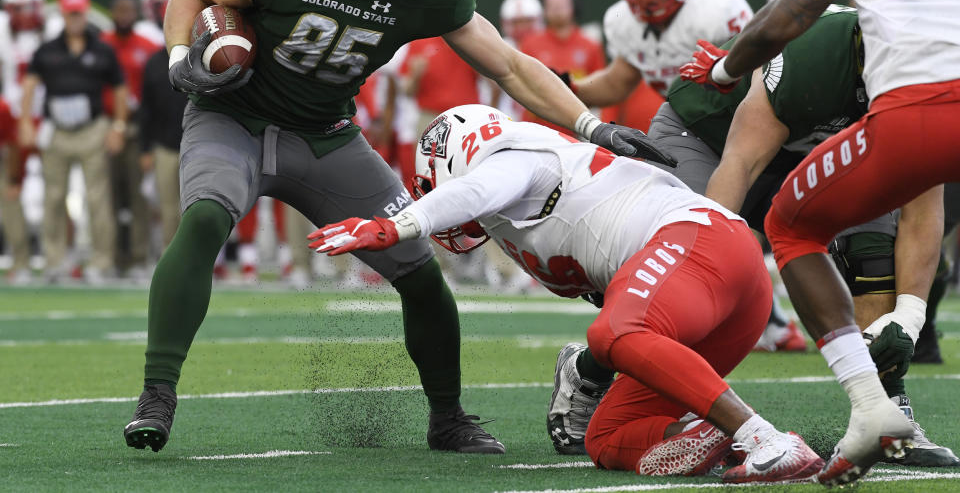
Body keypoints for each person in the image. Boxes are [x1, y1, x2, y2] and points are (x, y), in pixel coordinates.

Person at [122, 0, 673, 455]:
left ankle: (448, 416)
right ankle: (157, 393)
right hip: (235, 116)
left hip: (324, 134)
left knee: (420, 273)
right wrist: (179, 56)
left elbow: (510, 67)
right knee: (204, 218)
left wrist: (591, 127)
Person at [677, 0, 960, 484]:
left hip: (914, 116)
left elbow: (800, 2)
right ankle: (883, 400)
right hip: (874, 134)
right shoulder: (818, 65)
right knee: (858, 230)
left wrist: (723, 69)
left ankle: (874, 405)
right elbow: (739, 162)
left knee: (793, 226)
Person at [308, 104, 822, 483]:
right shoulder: (510, 204)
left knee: (616, 332)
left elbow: (476, 191)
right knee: (608, 438)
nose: (437, 198)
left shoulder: (518, 159)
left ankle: (766, 441)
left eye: (433, 185)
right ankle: (712, 437)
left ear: (456, 158)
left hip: (701, 241)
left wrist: (397, 226)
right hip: (710, 293)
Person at [568, 0, 751, 134]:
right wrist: (569, 88)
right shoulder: (625, 22)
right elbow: (616, 83)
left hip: (742, 120)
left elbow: (757, 77)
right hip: (691, 129)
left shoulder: (719, 8)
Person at [20, 0, 127, 284]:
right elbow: (30, 83)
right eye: (71, 14)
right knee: (53, 197)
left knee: (98, 198)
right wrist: (27, 121)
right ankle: (54, 261)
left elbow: (119, 88)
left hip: (92, 129)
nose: (76, 19)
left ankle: (101, 261)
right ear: (64, 16)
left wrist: (118, 126)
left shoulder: (102, 49)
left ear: (85, 15)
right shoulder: (47, 49)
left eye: (80, 13)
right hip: (57, 132)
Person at [102, 0, 162, 277]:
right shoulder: (102, 44)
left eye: (128, 11)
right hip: (107, 125)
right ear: (112, 12)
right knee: (108, 196)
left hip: (138, 128)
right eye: (119, 10)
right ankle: (112, 256)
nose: (124, 15)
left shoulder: (148, 48)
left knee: (139, 198)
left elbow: (152, 95)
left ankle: (138, 257)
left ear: (136, 13)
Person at [0, 0, 48, 285]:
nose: (24, 15)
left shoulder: (53, 30)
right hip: (10, 118)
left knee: (57, 190)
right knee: (10, 189)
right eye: (17, 9)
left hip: (46, 118)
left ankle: (62, 255)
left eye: (29, 7)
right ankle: (18, 258)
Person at [519, 0, 605, 133]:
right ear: (544, 10)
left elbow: (601, 88)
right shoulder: (530, 44)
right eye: (552, 5)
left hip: (576, 130)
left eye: (562, 5)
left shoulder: (590, 46)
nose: (557, 10)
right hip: (537, 129)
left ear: (573, 7)